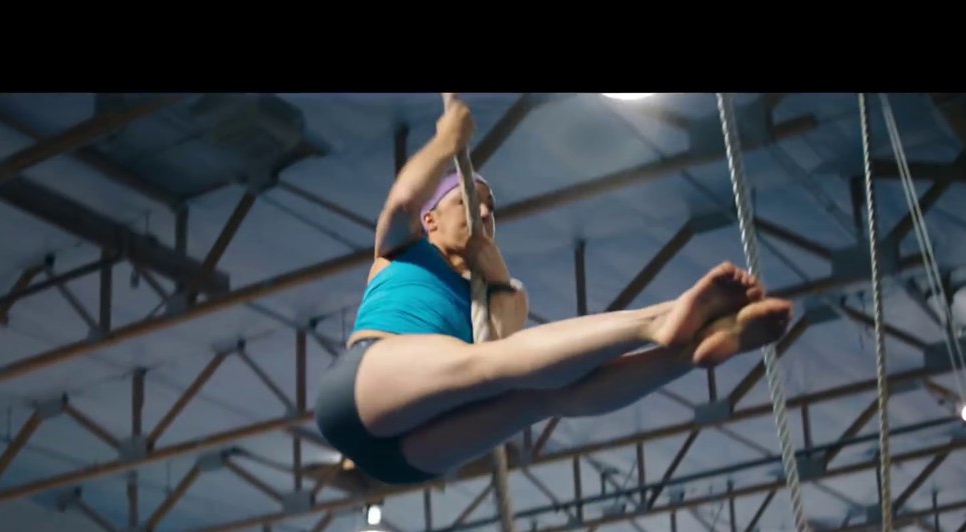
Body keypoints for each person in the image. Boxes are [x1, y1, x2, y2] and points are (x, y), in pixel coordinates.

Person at [314, 96, 792, 486]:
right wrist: (446, 140)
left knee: (541, 399)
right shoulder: (402, 250)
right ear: (431, 219)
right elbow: (402, 201)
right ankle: (657, 320)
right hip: (357, 398)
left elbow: (509, 363)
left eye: (491, 208)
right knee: (481, 367)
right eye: (469, 202)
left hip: (410, 461)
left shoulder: (503, 297)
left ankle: (692, 350)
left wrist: (498, 280)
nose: (485, 214)